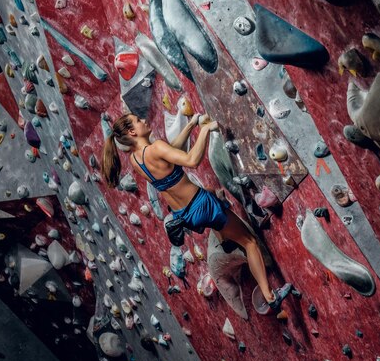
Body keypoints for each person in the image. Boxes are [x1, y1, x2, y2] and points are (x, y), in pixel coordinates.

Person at [101, 113, 292, 311]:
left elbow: (170, 152)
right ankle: (270, 297)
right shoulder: (155, 148)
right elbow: (191, 160)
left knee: (211, 191)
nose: (144, 120)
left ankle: (225, 239)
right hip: (201, 205)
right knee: (250, 242)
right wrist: (205, 130)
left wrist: (191, 124)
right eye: (139, 121)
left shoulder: (135, 159)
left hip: (185, 215)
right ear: (132, 132)